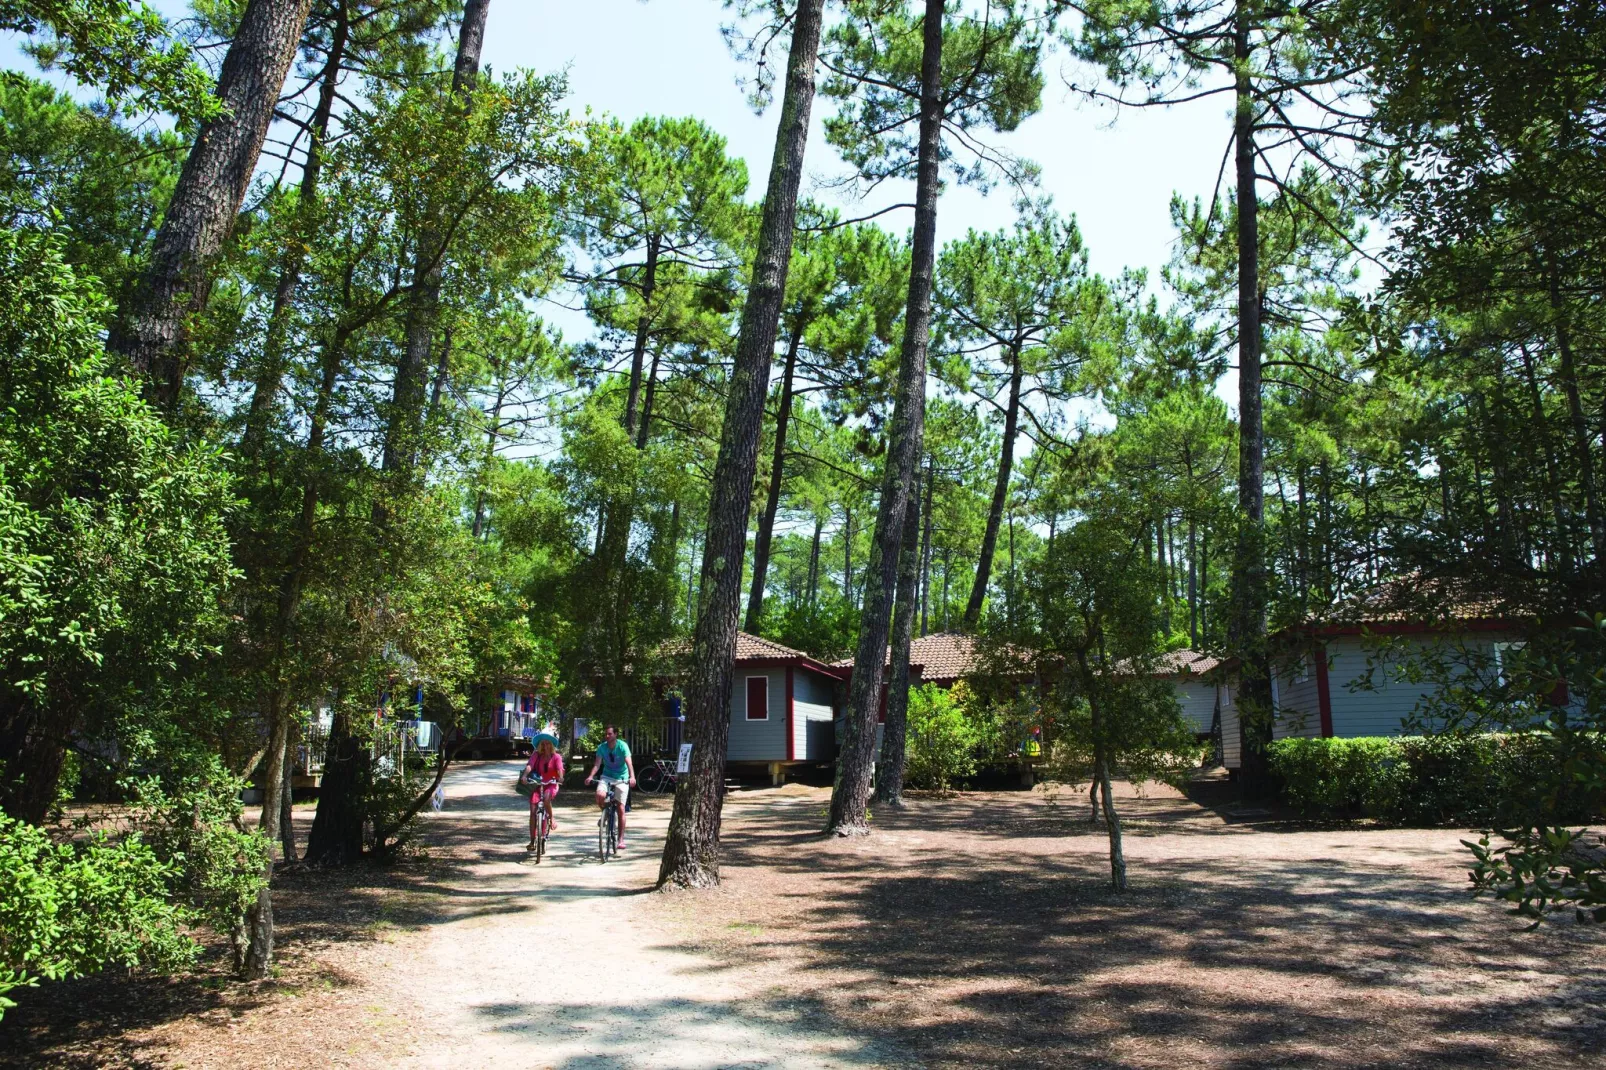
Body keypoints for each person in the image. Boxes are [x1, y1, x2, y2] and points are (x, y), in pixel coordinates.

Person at [584, 724, 636, 848]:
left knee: (621, 808)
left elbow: (629, 763)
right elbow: (597, 764)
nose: (607, 736)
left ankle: (621, 839)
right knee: (599, 795)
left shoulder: (622, 746)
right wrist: (591, 776)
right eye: (606, 734)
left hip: (621, 778)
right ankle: (605, 814)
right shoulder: (602, 747)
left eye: (609, 734)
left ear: (615, 734)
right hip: (607, 776)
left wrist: (632, 777)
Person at [519, 732, 564, 851]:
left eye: (548, 743)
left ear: (551, 745)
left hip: (552, 784)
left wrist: (560, 777)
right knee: (533, 811)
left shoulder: (556, 757)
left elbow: (559, 769)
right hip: (539, 784)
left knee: (547, 798)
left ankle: (551, 818)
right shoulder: (536, 755)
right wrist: (525, 775)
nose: (545, 746)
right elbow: (530, 766)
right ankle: (533, 840)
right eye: (543, 743)